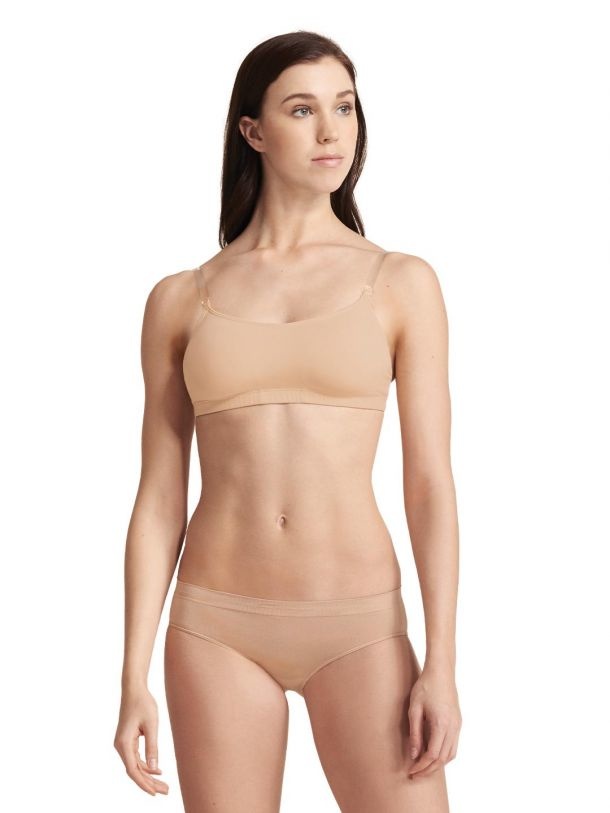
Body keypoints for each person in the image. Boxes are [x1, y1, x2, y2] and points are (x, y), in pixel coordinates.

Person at [113, 30, 461, 813]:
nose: (331, 130)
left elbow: (430, 484)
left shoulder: (401, 283)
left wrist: (441, 661)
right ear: (254, 131)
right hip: (216, 625)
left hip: (359, 625)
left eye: (345, 107)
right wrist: (133, 673)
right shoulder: (180, 298)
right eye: (302, 110)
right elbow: (159, 497)